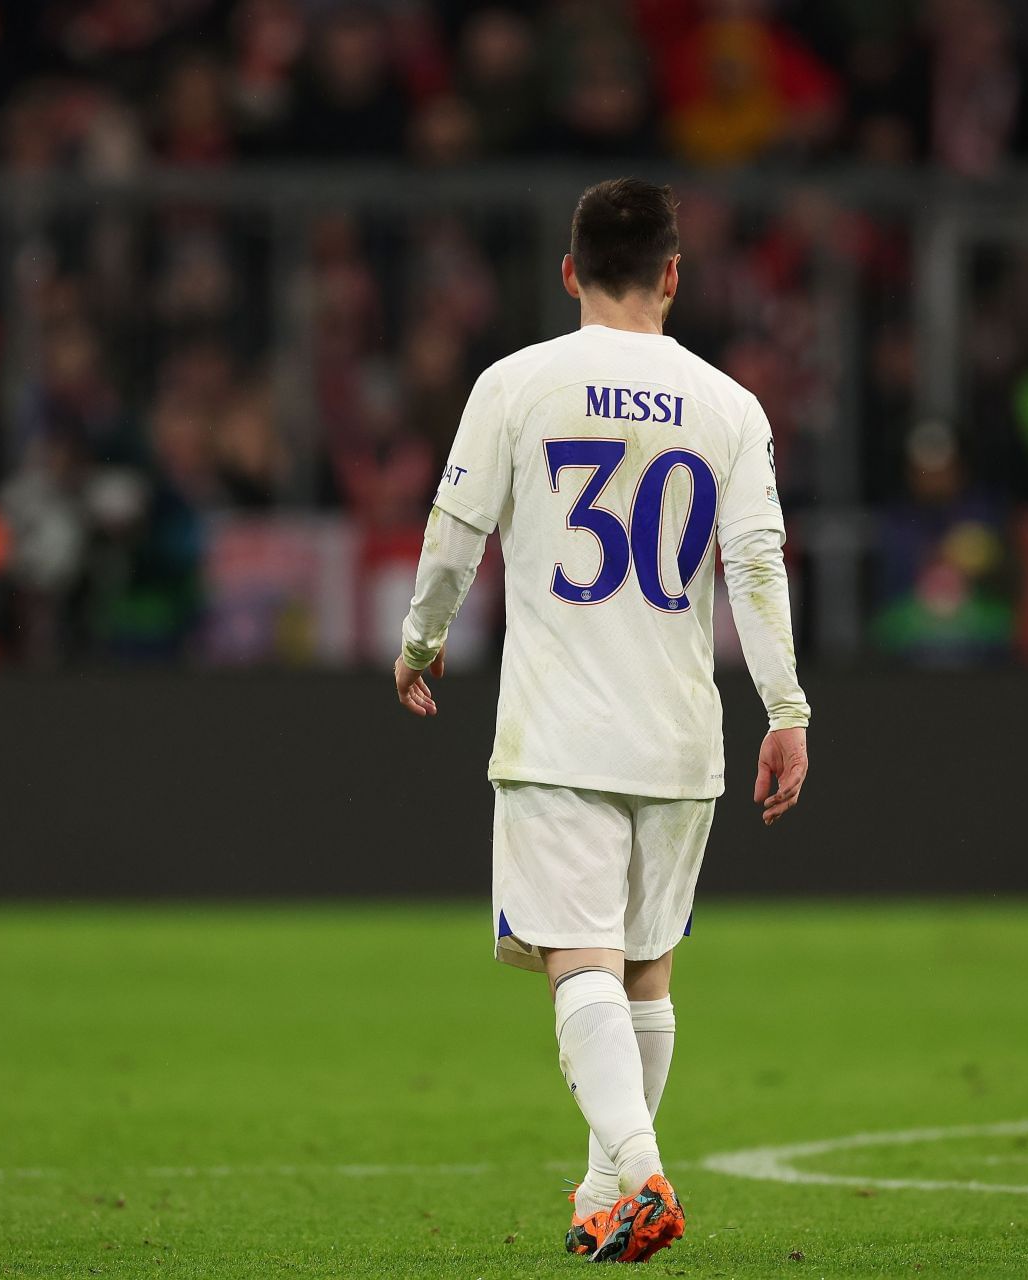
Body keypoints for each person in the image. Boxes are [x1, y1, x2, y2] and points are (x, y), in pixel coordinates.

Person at [391, 178, 811, 1264]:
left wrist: (421, 640)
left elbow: (454, 531)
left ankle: (641, 1167)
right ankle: (597, 1192)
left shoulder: (518, 383)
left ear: (570, 271)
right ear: (674, 273)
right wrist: (786, 708)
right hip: (680, 736)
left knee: (582, 963)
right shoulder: (728, 404)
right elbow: (755, 562)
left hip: (561, 731)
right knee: (647, 972)